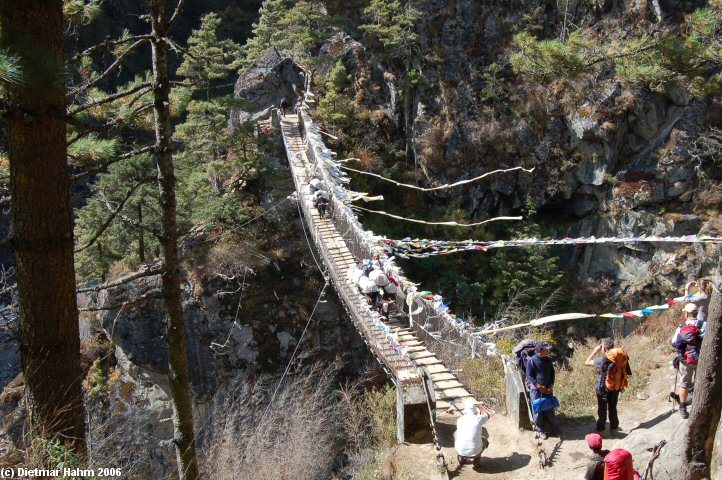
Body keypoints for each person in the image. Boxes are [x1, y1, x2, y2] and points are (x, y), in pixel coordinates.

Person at [585, 338, 632, 435]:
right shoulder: (620, 357)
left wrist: (595, 351)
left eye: (601, 347)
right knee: (613, 407)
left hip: (603, 388)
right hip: (616, 387)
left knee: (602, 409)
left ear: (604, 348)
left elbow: (587, 362)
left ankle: (601, 431)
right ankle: (614, 430)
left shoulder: (602, 360)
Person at [671, 302, 704, 418]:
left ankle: (683, 408)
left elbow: (674, 342)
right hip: (701, 359)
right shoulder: (703, 325)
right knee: (701, 382)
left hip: (686, 360)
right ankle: (700, 406)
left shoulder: (681, 327)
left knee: (684, 383)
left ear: (687, 314)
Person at [526, 341, 562, 439]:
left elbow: (552, 373)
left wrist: (551, 385)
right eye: (546, 349)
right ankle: (539, 429)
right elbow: (529, 376)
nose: (548, 350)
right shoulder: (532, 361)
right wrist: (539, 386)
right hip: (537, 390)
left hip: (548, 388)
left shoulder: (548, 360)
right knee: (538, 410)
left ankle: (555, 427)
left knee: (550, 408)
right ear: (540, 350)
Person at [454, 401, 491, 467]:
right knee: (484, 440)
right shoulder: (479, 418)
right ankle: (476, 460)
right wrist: (480, 406)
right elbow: (487, 415)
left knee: (456, 434)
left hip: (460, 451)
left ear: (465, 410)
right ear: (475, 411)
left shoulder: (459, 420)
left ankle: (461, 458)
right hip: (475, 453)